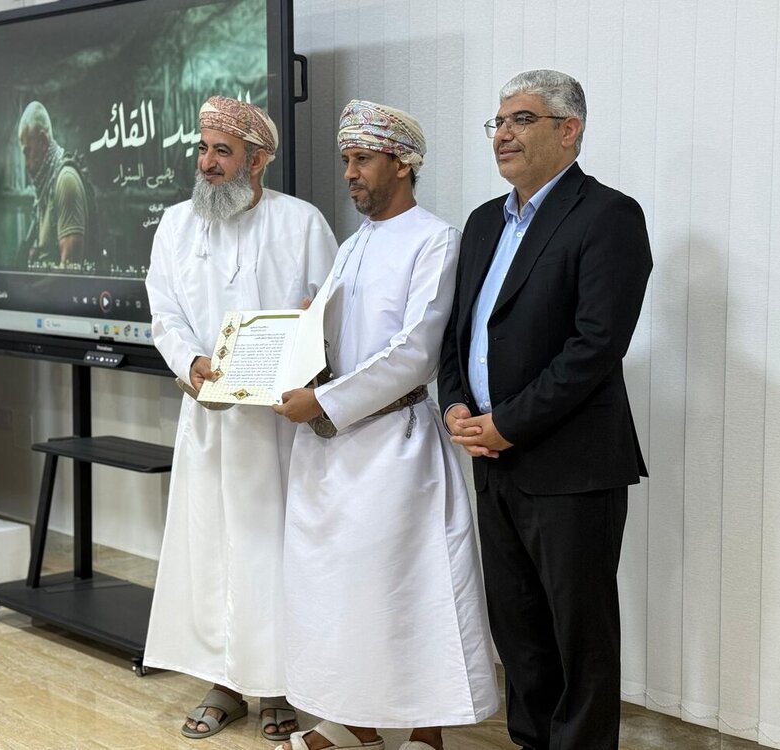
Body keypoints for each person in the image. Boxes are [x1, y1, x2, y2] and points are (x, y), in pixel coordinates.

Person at [273, 100, 499, 750]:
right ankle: (355, 725)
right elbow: (336, 341)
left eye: (362, 160)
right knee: (342, 594)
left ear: (402, 164)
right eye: (346, 160)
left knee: (408, 589)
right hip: (332, 449)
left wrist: (325, 402)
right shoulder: (351, 246)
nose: (350, 173)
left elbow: (416, 351)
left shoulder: (436, 239)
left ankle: (427, 733)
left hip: (396, 447)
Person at [437, 70, 653, 750]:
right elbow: (458, 334)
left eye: (522, 119)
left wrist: (508, 422)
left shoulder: (608, 216)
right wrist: (456, 404)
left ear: (569, 130)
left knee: (579, 637)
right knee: (519, 630)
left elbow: (595, 347)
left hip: (571, 466)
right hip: (492, 459)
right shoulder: (482, 223)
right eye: (498, 122)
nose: (503, 133)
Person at [143, 96, 338, 742]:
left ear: (257, 161)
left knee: (271, 553)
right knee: (211, 552)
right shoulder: (176, 225)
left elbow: (330, 312)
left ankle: (279, 685)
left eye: (221, 151)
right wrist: (191, 363)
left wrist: (308, 342)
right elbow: (164, 313)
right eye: (202, 149)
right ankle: (224, 682)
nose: (206, 162)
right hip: (208, 420)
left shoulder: (301, 223)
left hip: (277, 429)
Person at [18, 101, 91, 268]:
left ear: (43, 141)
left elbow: (70, 273)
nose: (25, 164)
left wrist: (29, 285)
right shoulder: (45, 189)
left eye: (28, 152)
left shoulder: (65, 181)